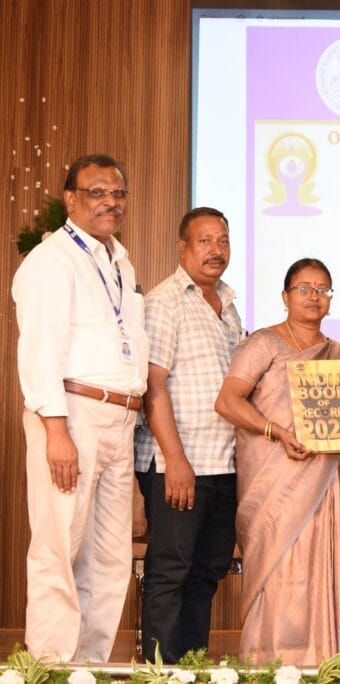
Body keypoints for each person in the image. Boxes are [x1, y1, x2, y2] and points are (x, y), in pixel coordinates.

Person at [11, 154, 149, 662]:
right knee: (59, 547)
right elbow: (39, 350)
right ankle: (49, 666)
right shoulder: (51, 260)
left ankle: (89, 667)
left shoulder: (120, 261)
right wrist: (56, 431)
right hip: (72, 414)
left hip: (120, 419)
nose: (110, 202)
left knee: (110, 558)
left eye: (118, 193)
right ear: (70, 199)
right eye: (97, 192)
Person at [215, 258, 340, 664]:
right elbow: (228, 401)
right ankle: (269, 663)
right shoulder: (263, 344)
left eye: (322, 289)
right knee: (279, 571)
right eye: (304, 288)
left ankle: (319, 662)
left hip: (321, 485)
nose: (313, 296)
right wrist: (277, 431)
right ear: (285, 297)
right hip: (272, 482)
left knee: (317, 569)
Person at [134, 207, 245, 662]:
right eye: (205, 241)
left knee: (207, 574)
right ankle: (159, 671)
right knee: (170, 572)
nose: (216, 250)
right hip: (178, 465)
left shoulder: (229, 305)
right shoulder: (164, 302)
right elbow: (152, 386)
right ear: (182, 248)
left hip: (224, 464)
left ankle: (192, 668)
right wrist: (175, 461)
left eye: (223, 240)